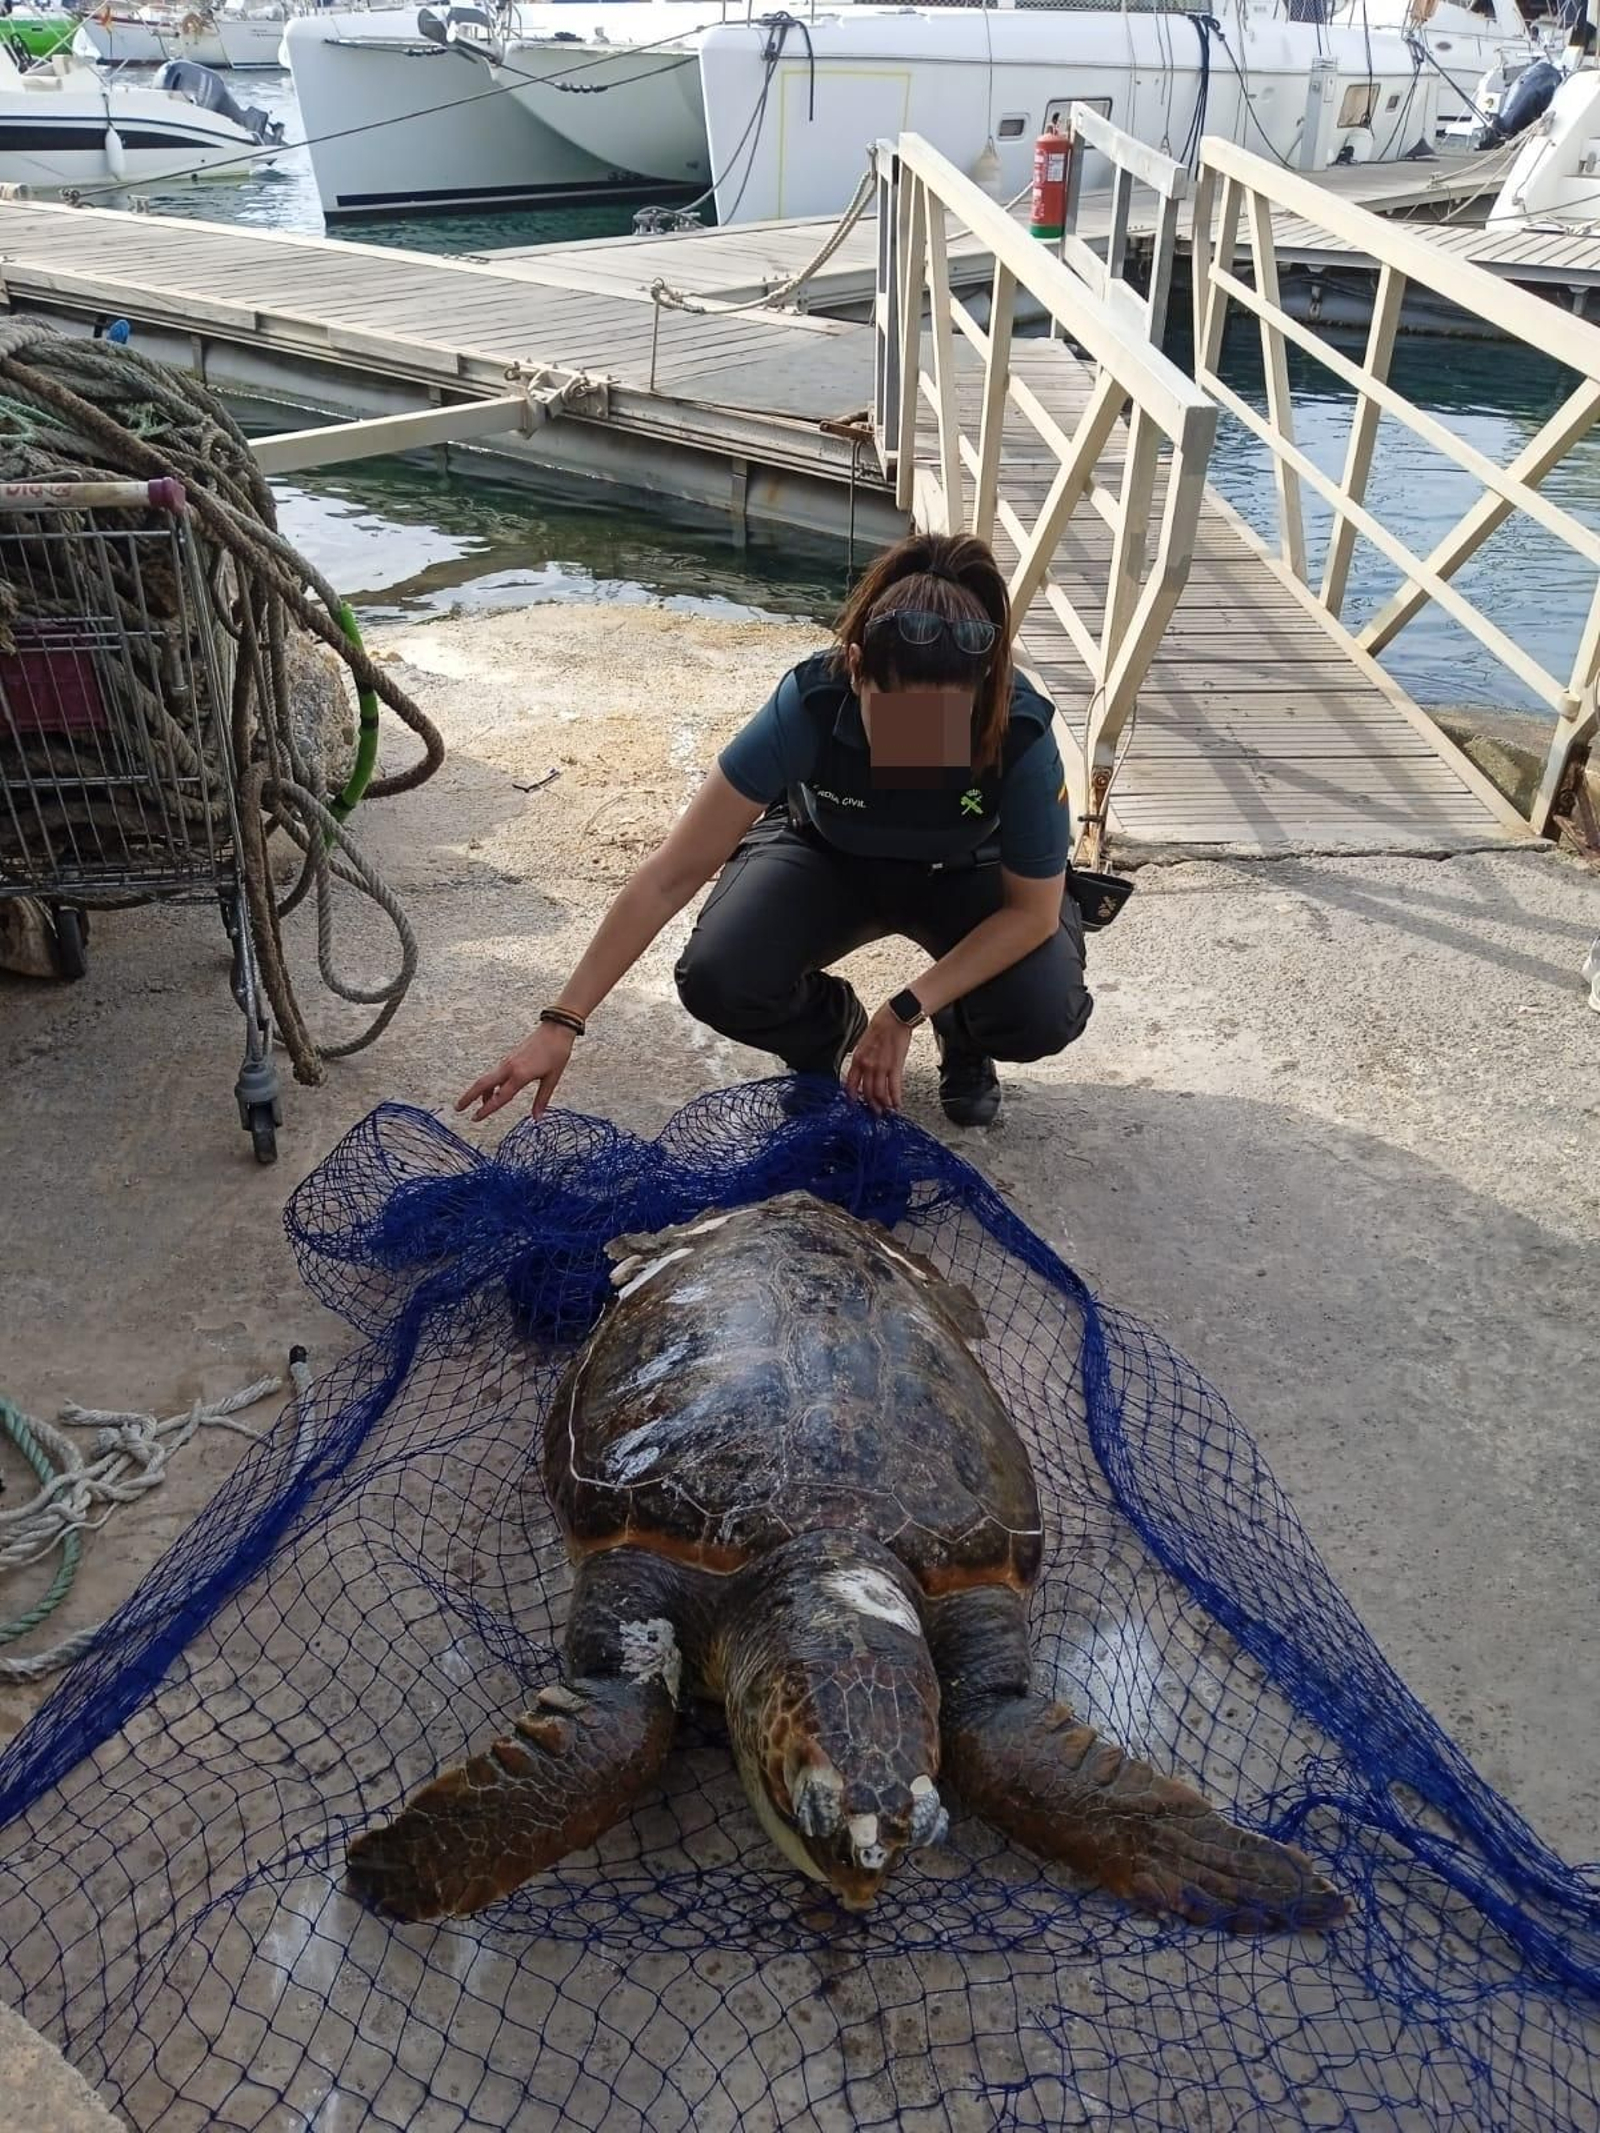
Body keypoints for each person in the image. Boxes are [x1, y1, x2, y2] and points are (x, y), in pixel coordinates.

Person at [459, 531, 1093, 1132]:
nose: (919, 751)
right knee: (718, 974)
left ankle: (962, 1029)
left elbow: (1032, 914)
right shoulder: (811, 702)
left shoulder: (1022, 730)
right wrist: (562, 1020)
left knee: (1039, 1013)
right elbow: (669, 875)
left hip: (963, 870)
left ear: (980, 691)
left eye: (941, 725)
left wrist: (906, 1007)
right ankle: (827, 1030)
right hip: (830, 854)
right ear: (854, 668)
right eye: (900, 721)